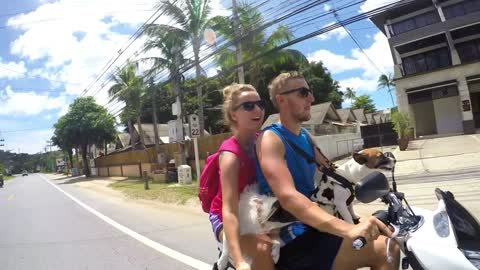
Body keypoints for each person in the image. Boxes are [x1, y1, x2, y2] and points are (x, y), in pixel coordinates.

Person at [256, 71, 400, 270]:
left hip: (314, 222)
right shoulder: (271, 139)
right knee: (386, 249)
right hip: (289, 233)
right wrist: (348, 229)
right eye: (303, 93)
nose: (312, 98)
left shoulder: (305, 136)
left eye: (311, 92)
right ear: (281, 100)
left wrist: (359, 215)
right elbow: (288, 197)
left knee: (385, 231)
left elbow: (334, 172)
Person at [208, 83, 274, 270]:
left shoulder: (264, 140)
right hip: (225, 217)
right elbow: (228, 209)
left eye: (260, 104)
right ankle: (227, 259)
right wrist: (238, 260)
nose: (257, 110)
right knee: (263, 249)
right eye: (248, 106)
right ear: (233, 115)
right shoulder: (230, 157)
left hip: (255, 211)